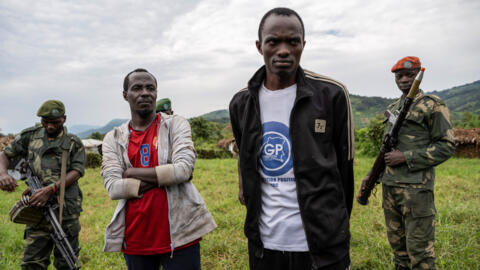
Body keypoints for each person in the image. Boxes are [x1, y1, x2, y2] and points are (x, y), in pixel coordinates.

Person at [229, 7, 355, 270]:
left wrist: (334, 228)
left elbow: (345, 171)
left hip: (322, 247)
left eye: (293, 41)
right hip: (264, 244)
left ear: (303, 45)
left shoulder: (332, 95)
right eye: (273, 42)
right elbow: (246, 160)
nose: (283, 50)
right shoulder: (242, 102)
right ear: (259, 46)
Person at [101, 68, 216, 270]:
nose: (145, 92)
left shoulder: (175, 125)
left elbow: (183, 170)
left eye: (150, 88)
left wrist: (130, 173)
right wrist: (166, 175)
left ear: (156, 92)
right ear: (125, 95)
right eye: (137, 88)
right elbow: (113, 187)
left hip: (181, 234)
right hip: (135, 238)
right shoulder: (114, 138)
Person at [362, 56, 455, 270]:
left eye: (409, 75)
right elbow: (384, 149)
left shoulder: (432, 105)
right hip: (390, 188)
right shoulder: (394, 107)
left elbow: (447, 146)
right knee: (399, 253)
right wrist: (371, 175)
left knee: (420, 254)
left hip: (416, 191)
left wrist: (406, 157)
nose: (403, 79)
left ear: (418, 77)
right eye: (399, 76)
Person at [0, 100, 86, 269]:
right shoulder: (30, 136)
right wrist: (2, 174)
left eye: (55, 122)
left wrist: (50, 189)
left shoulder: (73, 143)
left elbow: (76, 171)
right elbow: (5, 154)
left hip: (65, 208)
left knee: (67, 261)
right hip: (38, 210)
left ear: (64, 119)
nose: (50, 126)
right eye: (45, 122)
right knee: (32, 262)